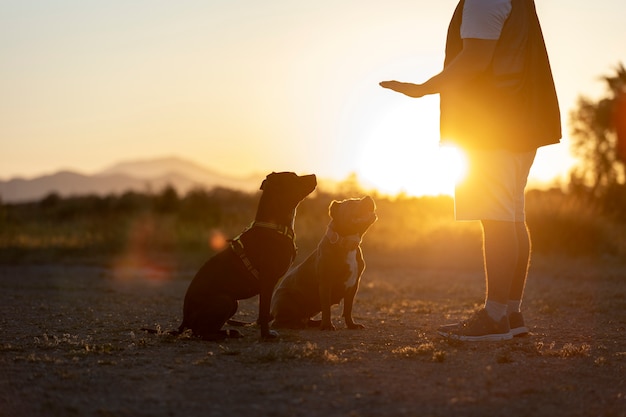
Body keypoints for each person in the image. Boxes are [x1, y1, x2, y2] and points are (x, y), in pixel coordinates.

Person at [380, 0, 561, 341]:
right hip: (521, 121)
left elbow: (475, 60)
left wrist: (422, 89)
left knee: (497, 218)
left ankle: (494, 317)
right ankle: (509, 313)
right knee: (511, 216)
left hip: (490, 124)